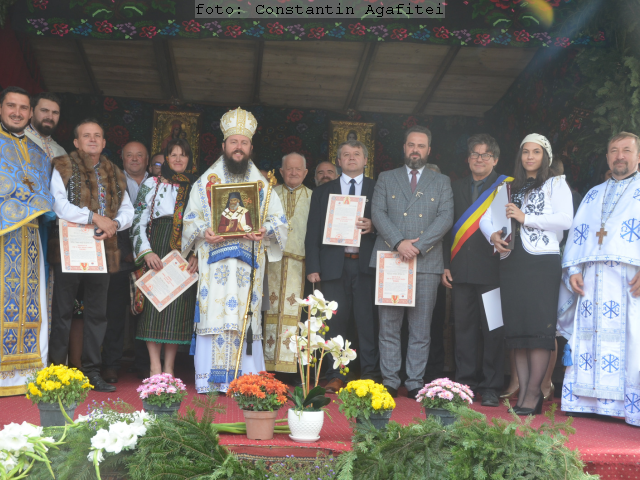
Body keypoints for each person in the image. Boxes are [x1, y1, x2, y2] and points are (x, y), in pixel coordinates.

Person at [182, 107, 287, 394]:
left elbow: (279, 221)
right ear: (224, 146)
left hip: (246, 265)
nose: (238, 148)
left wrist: (265, 231)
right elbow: (190, 219)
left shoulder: (262, 185)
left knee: (244, 315)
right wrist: (204, 232)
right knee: (214, 315)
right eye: (233, 142)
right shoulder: (205, 182)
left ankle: (246, 382)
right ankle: (210, 381)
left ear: (250, 147)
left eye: (243, 143)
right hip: (214, 266)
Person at [480, 133, 573, 415]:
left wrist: (525, 218)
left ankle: (534, 394)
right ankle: (522, 393)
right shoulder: (507, 186)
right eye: (525, 152)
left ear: (545, 156)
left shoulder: (556, 183)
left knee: (537, 329)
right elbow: (486, 219)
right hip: (511, 262)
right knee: (517, 331)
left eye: (536, 152)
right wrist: (492, 235)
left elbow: (565, 219)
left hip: (541, 262)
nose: (530, 157)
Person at [558, 132, 640, 426]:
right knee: (590, 337)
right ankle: (587, 400)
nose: (620, 156)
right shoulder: (593, 194)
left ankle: (629, 406)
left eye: (626, 150)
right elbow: (578, 237)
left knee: (632, 339)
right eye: (614, 151)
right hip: (593, 282)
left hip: (630, 281)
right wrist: (574, 271)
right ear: (607, 158)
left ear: (638, 156)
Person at [49, 119, 134, 393]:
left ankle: (91, 372)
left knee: (98, 314)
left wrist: (115, 224)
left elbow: (127, 210)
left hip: (102, 250)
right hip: (68, 250)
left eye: (98, 136)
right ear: (76, 142)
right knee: (62, 312)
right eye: (87, 136)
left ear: (105, 142)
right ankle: (56, 372)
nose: (93, 140)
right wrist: (94, 217)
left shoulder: (114, 171)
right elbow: (58, 204)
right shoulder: (62, 165)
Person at [371, 125, 454, 399]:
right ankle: (391, 380)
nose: (415, 150)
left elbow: (445, 218)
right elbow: (378, 213)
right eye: (411, 145)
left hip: (426, 261)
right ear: (404, 148)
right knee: (389, 326)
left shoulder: (441, 182)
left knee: (421, 328)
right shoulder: (385, 177)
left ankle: (415, 380)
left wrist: (417, 246)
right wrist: (399, 243)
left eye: (421, 146)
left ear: (428, 150)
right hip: (392, 259)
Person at [306, 140, 380, 393]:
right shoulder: (323, 191)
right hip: (333, 267)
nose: (351, 158)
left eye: (356, 154)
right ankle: (335, 373)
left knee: (367, 321)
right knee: (334, 323)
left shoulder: (378, 188)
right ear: (338, 161)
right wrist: (313, 267)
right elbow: (312, 232)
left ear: (365, 160)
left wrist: (374, 226)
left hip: (367, 265)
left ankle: (369, 372)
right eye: (346, 155)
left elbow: (389, 223)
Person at [442, 134, 505, 407]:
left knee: (493, 330)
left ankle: (491, 386)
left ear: (495, 159)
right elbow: (446, 228)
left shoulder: (504, 188)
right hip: (461, 271)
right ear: (468, 159)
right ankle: (464, 384)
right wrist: (446, 263)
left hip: (494, 272)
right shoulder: (453, 187)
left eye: (486, 155)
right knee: (464, 330)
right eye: (475, 155)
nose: (480, 159)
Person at [0, 86, 55, 396]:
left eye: (23, 108)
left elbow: (45, 196)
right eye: (11, 106)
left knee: (29, 304)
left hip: (31, 242)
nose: (17, 112)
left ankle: (25, 375)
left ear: (30, 114)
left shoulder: (38, 152)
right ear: (1, 108)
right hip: (2, 240)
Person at [131, 138, 198, 377]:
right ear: (166, 159)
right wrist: (147, 252)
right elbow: (138, 220)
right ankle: (154, 365)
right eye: (173, 154)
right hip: (157, 245)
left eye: (183, 155)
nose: (178, 159)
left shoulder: (196, 187)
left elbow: (203, 224)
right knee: (153, 306)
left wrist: (196, 254)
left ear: (189, 160)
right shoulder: (152, 183)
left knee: (177, 310)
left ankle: (169, 366)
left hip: (184, 249)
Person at [101, 141, 150, 383]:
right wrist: (125, 252)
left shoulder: (157, 184)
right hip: (120, 259)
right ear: (122, 159)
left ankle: (143, 364)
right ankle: (111, 364)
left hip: (151, 260)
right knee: (115, 312)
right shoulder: (112, 182)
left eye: (139, 155)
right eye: (129, 155)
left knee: (147, 315)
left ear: (147, 159)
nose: (134, 159)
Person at [264, 153, 312, 373]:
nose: (293, 173)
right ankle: (267, 365)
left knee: (297, 313)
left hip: (300, 264)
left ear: (305, 172)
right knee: (269, 308)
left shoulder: (314, 196)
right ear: (281, 172)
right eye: (289, 169)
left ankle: (293, 369)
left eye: (298, 169)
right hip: (272, 260)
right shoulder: (269, 194)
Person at [25, 92, 66, 174]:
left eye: (55, 113)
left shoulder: (61, 152)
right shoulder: (15, 139)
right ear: (31, 111)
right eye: (44, 110)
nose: (50, 117)